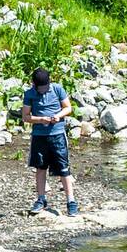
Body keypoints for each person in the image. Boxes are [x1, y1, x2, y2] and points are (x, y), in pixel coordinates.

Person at [21, 67, 77, 216]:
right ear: (34, 85)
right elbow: (26, 116)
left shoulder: (58, 89)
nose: (43, 91)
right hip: (39, 136)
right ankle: (41, 199)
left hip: (57, 134)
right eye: (41, 89)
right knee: (40, 168)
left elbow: (68, 108)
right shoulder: (29, 94)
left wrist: (58, 116)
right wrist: (40, 120)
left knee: (63, 169)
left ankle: (71, 201)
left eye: (46, 88)